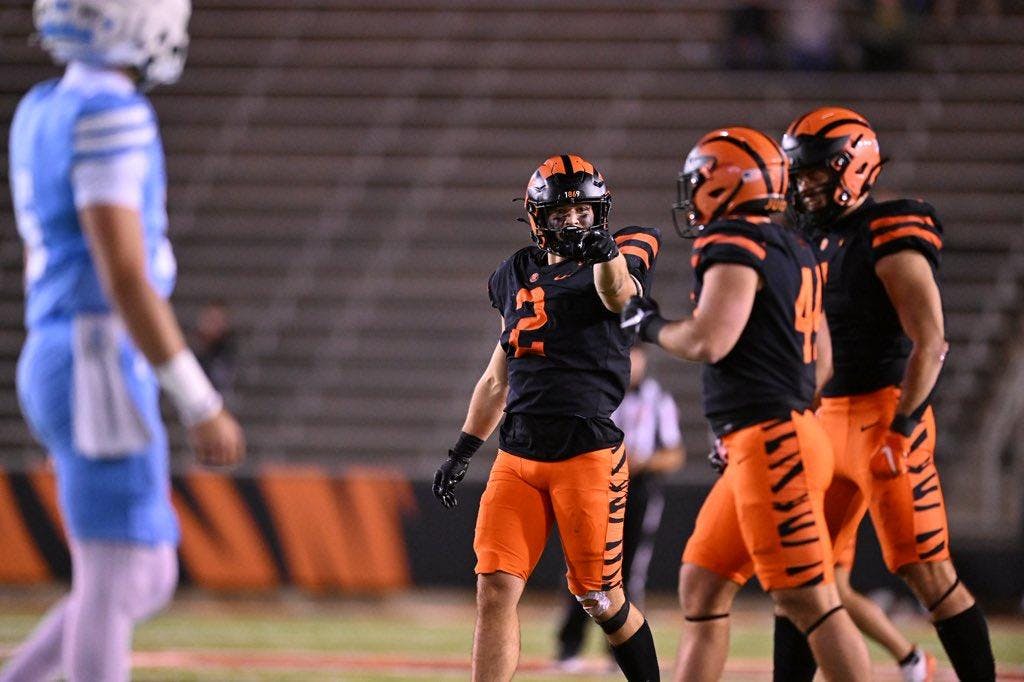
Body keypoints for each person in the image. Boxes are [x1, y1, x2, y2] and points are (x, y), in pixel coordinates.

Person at [1, 2, 245, 681]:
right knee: (118, 569)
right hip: (95, 354)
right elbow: (126, 278)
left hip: (65, 349)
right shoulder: (111, 111)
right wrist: (200, 401)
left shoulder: (41, 107)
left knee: (144, 571)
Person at [621, 127, 872, 681]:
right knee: (703, 583)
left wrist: (647, 323)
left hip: (773, 441)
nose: (693, 193)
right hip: (776, 435)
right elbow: (823, 361)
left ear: (726, 182)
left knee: (810, 600)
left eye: (699, 181)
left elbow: (709, 340)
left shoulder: (735, 239)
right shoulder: (795, 245)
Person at [773, 105, 996, 681]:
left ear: (854, 168)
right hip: (823, 419)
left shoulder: (890, 230)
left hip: (883, 416)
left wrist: (903, 427)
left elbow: (932, 341)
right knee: (799, 579)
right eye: (799, 173)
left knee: (927, 572)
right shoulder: (805, 236)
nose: (804, 185)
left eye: (815, 172)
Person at [432, 154, 663, 681]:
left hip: (587, 452)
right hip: (517, 455)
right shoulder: (515, 272)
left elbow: (617, 296)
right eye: (562, 213)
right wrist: (462, 450)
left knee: (600, 598)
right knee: (494, 586)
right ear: (538, 218)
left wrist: (606, 253)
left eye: (584, 211)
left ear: (601, 212)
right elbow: (498, 377)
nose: (575, 222)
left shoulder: (626, 249)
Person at [555, 345, 685, 670]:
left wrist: (642, 461)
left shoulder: (658, 400)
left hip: (639, 489)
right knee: (583, 566)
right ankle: (568, 648)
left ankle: (619, 653)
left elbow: (674, 454)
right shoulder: (595, 391)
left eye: (635, 355)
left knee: (629, 572)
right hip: (595, 484)